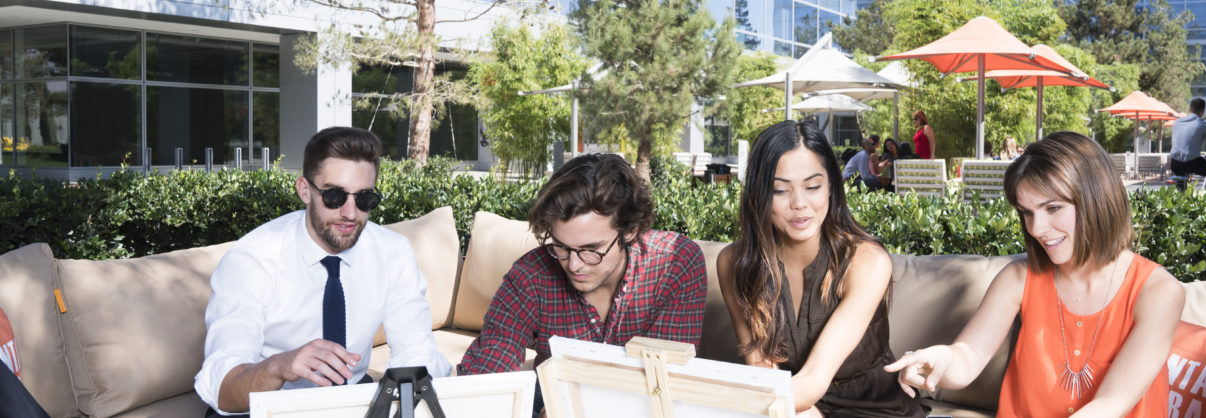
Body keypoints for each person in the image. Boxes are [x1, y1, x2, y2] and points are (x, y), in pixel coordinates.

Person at [886, 131, 1183, 417]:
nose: (1036, 228)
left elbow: (1112, 403)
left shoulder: (1158, 291)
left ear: (1097, 199)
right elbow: (968, 356)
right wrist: (940, 360)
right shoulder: (1017, 278)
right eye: (1027, 212)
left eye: (1053, 208)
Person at [195, 127, 451, 417]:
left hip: (350, 403)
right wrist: (280, 366)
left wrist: (410, 384)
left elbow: (416, 349)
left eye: (364, 198)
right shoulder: (253, 259)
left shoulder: (392, 252)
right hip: (264, 408)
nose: (351, 213)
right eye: (334, 196)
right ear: (305, 190)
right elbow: (222, 389)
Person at [457, 154, 707, 416]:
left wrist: (577, 409)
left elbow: (664, 384)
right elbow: (485, 375)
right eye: (561, 247)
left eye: (591, 249)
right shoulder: (530, 276)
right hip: (551, 395)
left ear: (631, 230)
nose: (574, 265)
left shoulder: (674, 265)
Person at [718, 120, 929, 418]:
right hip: (795, 405)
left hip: (876, 408)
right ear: (759, 194)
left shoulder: (867, 261)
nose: (799, 203)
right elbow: (763, 374)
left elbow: (815, 379)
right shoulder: (734, 263)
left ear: (831, 186)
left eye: (813, 186)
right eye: (780, 190)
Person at [1169, 98, 1206, 198]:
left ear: (1190, 109)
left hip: (1174, 163)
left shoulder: (1177, 122)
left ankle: (1181, 194)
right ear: (1202, 111)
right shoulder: (1203, 124)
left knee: (1182, 179)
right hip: (1192, 162)